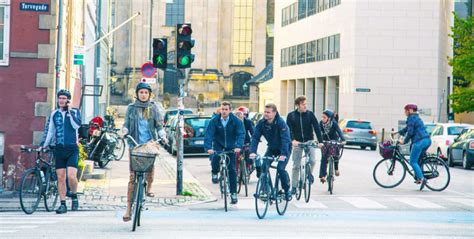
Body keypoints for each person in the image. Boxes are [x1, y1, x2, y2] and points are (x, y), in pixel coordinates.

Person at [122, 82, 168, 222]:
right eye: (141, 92)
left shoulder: (153, 108)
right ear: (137, 94)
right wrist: (124, 131)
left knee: (150, 168)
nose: (143, 95)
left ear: (149, 94)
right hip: (135, 144)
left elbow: (159, 126)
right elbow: (126, 125)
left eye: (146, 93)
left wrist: (163, 136)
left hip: (149, 144)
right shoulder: (131, 108)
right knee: (132, 177)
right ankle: (128, 209)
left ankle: (149, 187)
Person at [41, 89, 82, 214]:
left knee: (71, 176)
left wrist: (69, 112)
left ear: (68, 100)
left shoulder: (74, 112)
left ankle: (74, 196)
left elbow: (77, 126)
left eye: (64, 98)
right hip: (59, 149)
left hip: (72, 149)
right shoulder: (55, 114)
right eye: (60, 98)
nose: (62, 100)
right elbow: (51, 131)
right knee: (60, 177)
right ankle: (62, 203)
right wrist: (44, 145)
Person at [249, 103, 292, 201]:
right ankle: (265, 190)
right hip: (272, 148)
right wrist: (253, 152)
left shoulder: (281, 123)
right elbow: (255, 137)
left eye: (268, 112)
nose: (266, 114)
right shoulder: (261, 123)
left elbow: (285, 139)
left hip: (284, 149)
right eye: (265, 112)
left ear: (274, 113)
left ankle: (287, 191)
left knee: (280, 169)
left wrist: (283, 154)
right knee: (264, 166)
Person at [204, 101, 245, 204]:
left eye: (226, 109)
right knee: (215, 158)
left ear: (230, 110)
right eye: (222, 109)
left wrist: (238, 146)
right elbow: (208, 134)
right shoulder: (214, 121)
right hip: (218, 145)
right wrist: (208, 147)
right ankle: (214, 172)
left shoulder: (236, 121)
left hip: (231, 147)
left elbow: (241, 134)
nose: (224, 111)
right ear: (220, 109)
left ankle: (233, 194)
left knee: (232, 170)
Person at [286, 96, 324, 194]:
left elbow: (317, 128)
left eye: (305, 104)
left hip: (309, 141)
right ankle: (294, 187)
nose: (305, 106)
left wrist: (320, 141)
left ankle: (309, 174)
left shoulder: (310, 114)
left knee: (312, 160)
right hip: (297, 142)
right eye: (303, 104)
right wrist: (292, 140)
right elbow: (288, 130)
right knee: (296, 165)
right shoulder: (291, 116)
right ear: (298, 105)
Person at [393, 104, 431, 190]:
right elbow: (408, 128)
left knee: (413, 161)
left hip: (419, 141)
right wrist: (399, 132)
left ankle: (421, 178)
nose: (405, 112)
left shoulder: (411, 118)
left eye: (405, 110)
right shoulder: (416, 117)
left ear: (410, 110)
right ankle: (418, 177)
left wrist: (404, 141)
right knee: (418, 160)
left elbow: (410, 132)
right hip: (427, 140)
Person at [319, 110, 346, 183]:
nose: (322, 119)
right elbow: (318, 132)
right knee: (324, 158)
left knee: (335, 154)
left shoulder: (334, 123)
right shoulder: (321, 123)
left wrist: (343, 140)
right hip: (324, 140)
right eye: (322, 117)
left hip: (334, 139)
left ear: (329, 118)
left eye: (324, 117)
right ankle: (323, 176)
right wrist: (319, 141)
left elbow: (339, 132)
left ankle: (336, 169)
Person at [236, 106, 255, 171]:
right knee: (234, 156)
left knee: (249, 154)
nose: (242, 116)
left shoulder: (248, 122)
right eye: (240, 114)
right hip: (236, 143)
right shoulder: (233, 122)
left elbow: (252, 131)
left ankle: (250, 166)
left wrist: (255, 138)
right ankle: (235, 171)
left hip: (246, 141)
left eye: (244, 114)